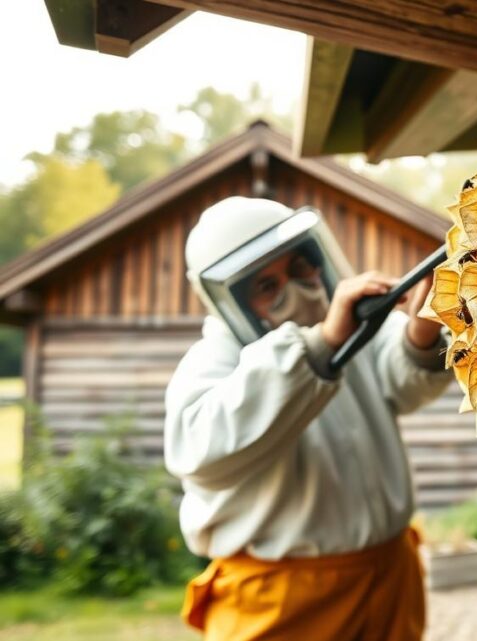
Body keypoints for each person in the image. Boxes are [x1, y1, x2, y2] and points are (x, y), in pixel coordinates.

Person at [164, 196, 451, 641]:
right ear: (231, 299)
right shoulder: (213, 360)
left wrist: (421, 330)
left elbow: (404, 384)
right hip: (284, 603)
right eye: (266, 286)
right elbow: (198, 454)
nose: (295, 289)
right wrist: (320, 345)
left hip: (389, 577)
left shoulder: (348, 321)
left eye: (298, 267)